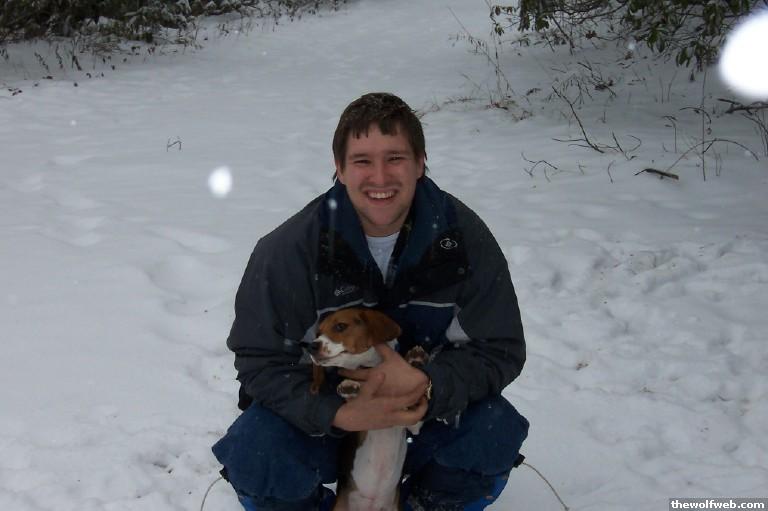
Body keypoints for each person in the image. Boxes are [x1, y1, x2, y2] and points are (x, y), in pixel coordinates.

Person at [212, 92, 529, 511]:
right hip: (325, 426)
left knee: (495, 429)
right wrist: (336, 412)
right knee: (255, 450)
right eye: (362, 161)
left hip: (423, 418)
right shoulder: (289, 251)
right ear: (340, 168)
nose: (380, 177)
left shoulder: (463, 241)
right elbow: (259, 361)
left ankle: (426, 504)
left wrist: (427, 383)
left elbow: (499, 348)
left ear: (420, 163)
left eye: (395, 158)